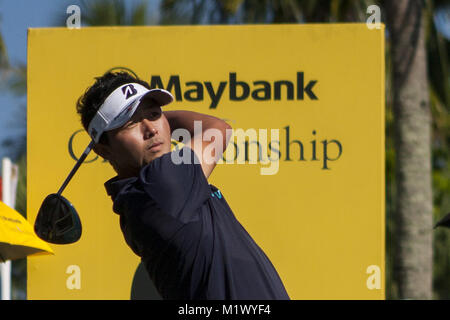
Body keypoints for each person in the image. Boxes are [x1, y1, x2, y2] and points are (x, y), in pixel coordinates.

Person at [76, 71, 290, 300]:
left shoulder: (134, 200)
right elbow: (217, 129)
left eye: (154, 114)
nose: (151, 130)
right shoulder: (161, 185)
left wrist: (149, 117)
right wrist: (162, 117)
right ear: (103, 149)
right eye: (131, 123)